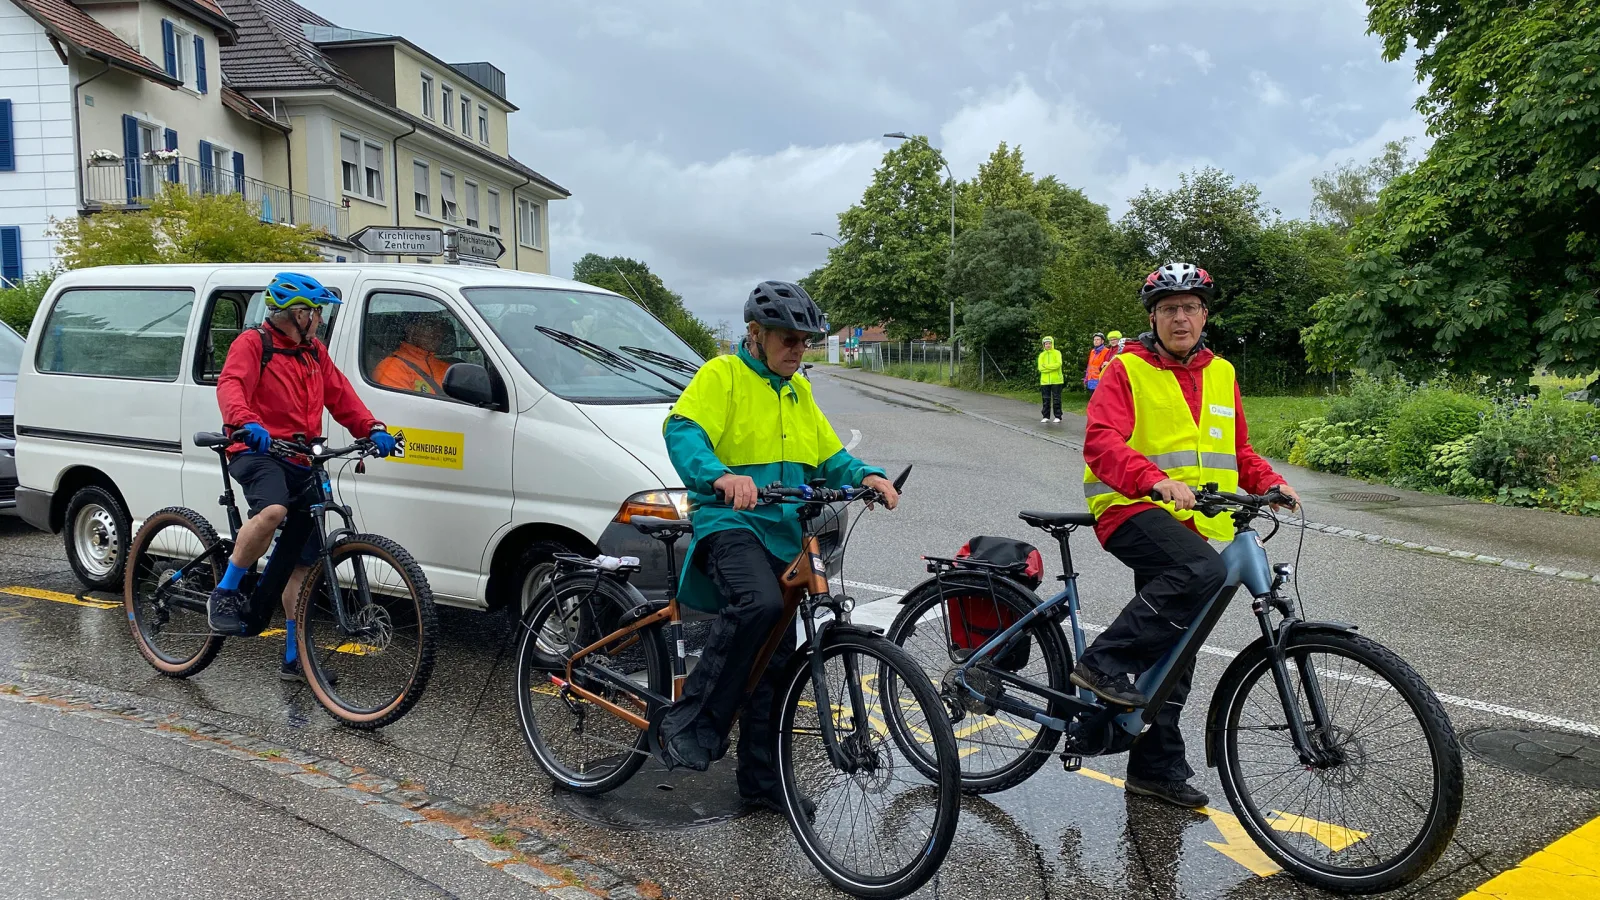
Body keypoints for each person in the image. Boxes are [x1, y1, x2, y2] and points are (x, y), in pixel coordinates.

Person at [659, 280, 900, 815]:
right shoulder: (723, 374)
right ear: (755, 334)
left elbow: (832, 455)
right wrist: (719, 475)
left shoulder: (799, 391)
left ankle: (762, 783)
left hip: (786, 531)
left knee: (777, 661)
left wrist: (869, 475)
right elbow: (682, 430)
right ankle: (692, 722)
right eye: (787, 339)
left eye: (805, 341)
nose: (797, 350)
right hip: (730, 520)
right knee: (760, 605)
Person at [1073, 262, 1301, 809]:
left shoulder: (1221, 372)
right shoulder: (1126, 370)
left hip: (1199, 523)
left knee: (1179, 650)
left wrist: (1269, 481)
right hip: (1131, 507)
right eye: (1169, 308)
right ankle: (1100, 664)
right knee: (1203, 572)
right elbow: (1101, 443)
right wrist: (1154, 479)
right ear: (1153, 318)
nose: (1181, 317)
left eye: (1190, 307)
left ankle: (1154, 770)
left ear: (1204, 315)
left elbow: (1238, 450)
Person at [207, 273, 399, 681]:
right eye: (316, 313)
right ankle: (225, 591)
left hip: (301, 457)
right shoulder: (252, 344)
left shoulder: (314, 353)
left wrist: (372, 428)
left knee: (302, 566)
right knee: (273, 510)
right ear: (297, 314)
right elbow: (231, 386)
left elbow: (341, 395)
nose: (320, 320)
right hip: (257, 451)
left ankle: (295, 658)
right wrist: (245, 422)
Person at [373, 312, 453, 395]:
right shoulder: (392, 368)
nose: (438, 333)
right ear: (410, 329)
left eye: (441, 327)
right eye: (429, 325)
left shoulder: (449, 369)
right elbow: (402, 405)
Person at [1037, 335, 1064, 423]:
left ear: (1052, 344)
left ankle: (1058, 416)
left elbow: (1058, 364)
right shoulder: (1041, 355)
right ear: (1043, 345)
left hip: (1056, 380)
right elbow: (1040, 368)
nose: (1048, 345)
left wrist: (1047, 367)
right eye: (1046, 344)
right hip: (1045, 381)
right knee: (1045, 399)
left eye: (1049, 343)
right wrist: (1050, 367)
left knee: (1056, 399)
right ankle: (1045, 416)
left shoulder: (1057, 353)